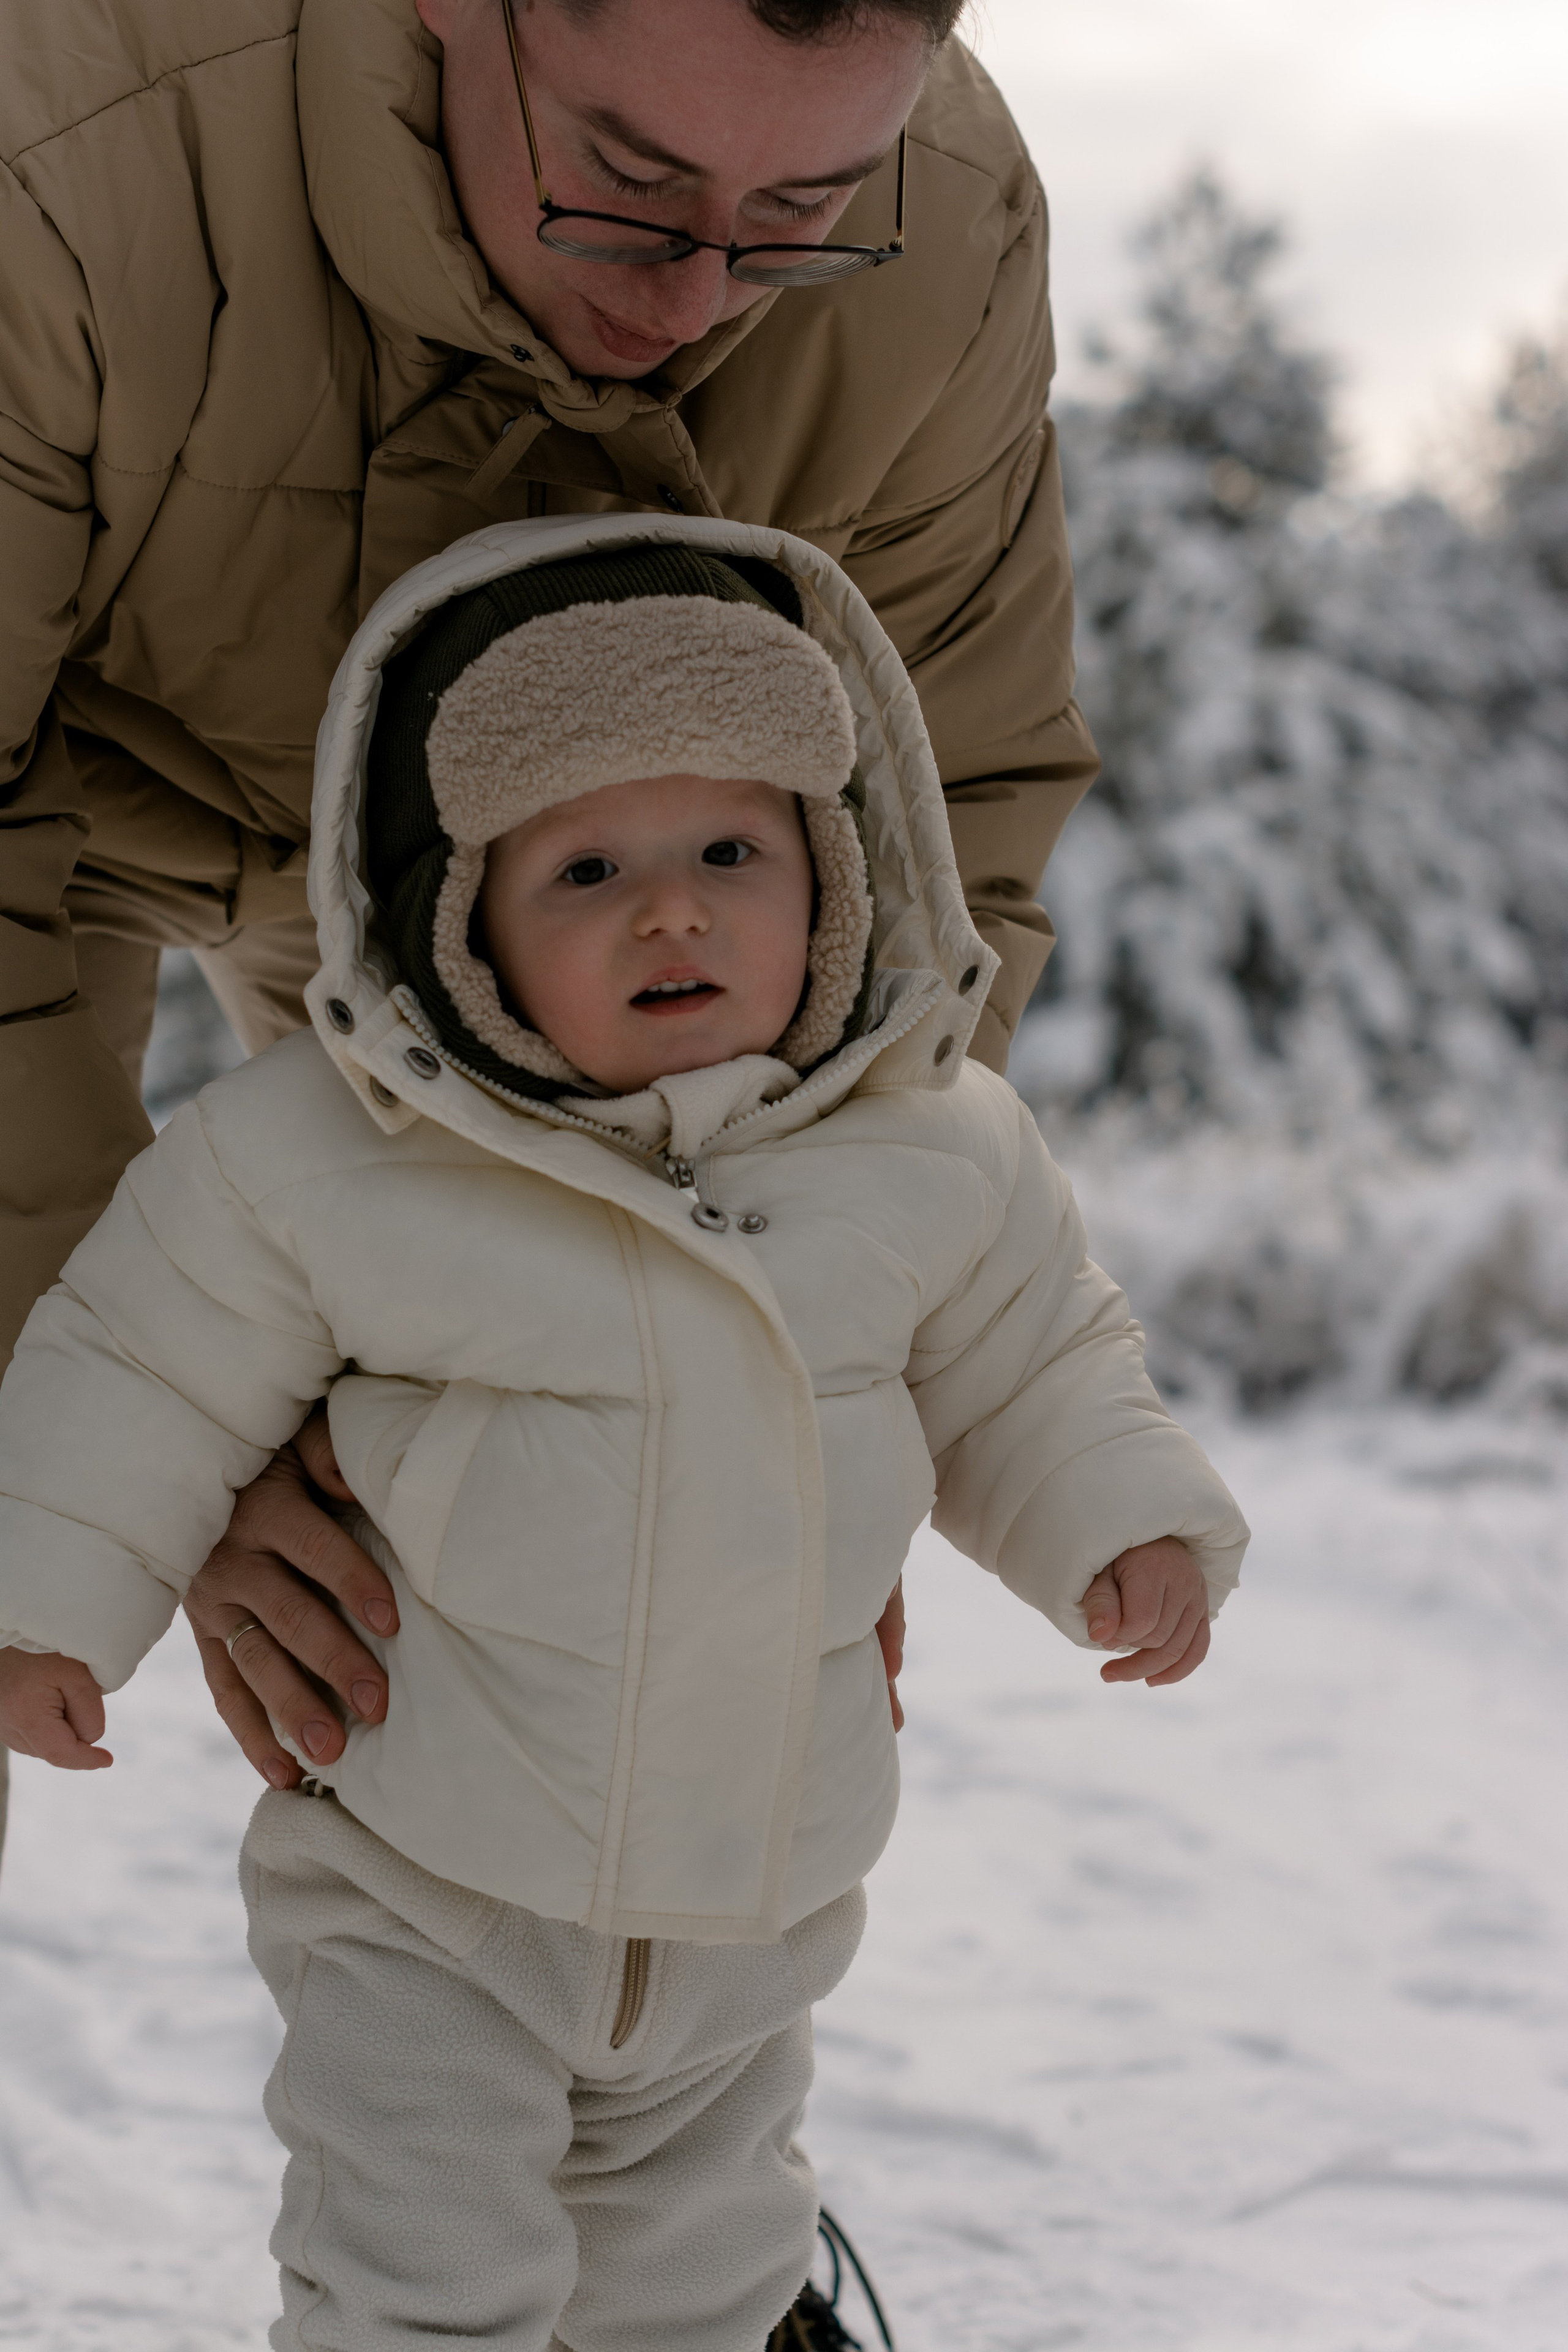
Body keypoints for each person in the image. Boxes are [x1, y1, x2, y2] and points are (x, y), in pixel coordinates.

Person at [0, 516, 1248, 2350]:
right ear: (463, 913)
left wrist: (1122, 1521)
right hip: (427, 1890)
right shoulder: (329, 1151)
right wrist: (48, 1596)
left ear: (832, 872)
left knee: (705, 2287)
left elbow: (1038, 1361)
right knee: (422, 2286)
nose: (674, 908)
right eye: (586, 867)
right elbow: (136, 1362)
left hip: (753, 1903)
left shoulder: (935, 1147)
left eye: (731, 849)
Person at [1, 0, 1098, 1879]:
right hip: (69, 771)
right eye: (628, 184)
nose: (696, 301)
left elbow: (941, 811)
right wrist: (99, 1415)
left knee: (578, 1518)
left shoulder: (948, 227)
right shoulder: (65, 139)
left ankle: (554, 2126)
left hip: (534, 874)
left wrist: (808, 1360)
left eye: (799, 210)